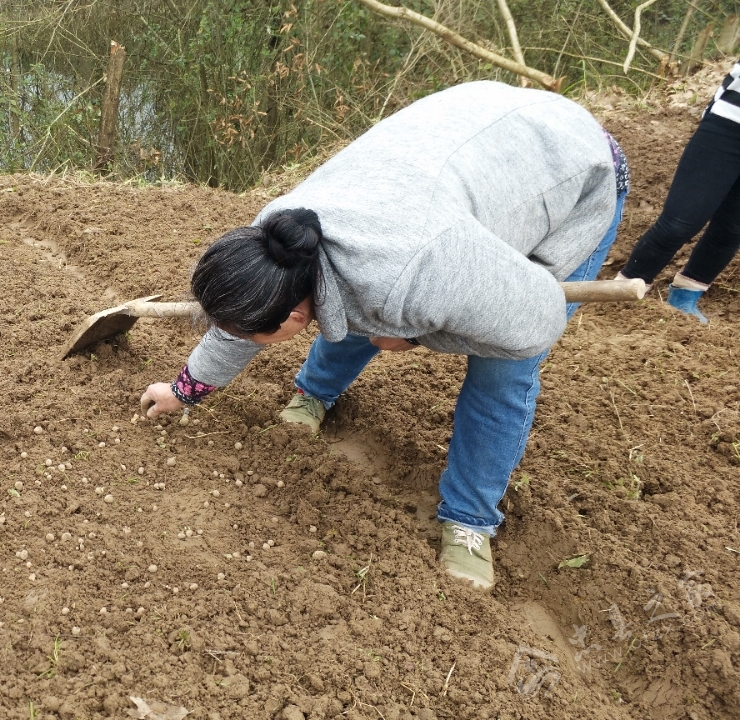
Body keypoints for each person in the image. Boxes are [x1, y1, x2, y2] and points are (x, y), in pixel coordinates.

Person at [140, 81, 628, 591]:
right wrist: (184, 392)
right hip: (462, 156)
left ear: (293, 319)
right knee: (361, 305)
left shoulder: (412, 277)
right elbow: (246, 323)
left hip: (570, 173)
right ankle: (314, 394)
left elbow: (535, 325)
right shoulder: (276, 239)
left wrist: (416, 338)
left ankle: (469, 519)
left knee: (502, 372)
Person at [616, 61, 740, 324]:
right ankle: (622, 291)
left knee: (732, 229)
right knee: (680, 222)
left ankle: (686, 295)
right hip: (728, 125)